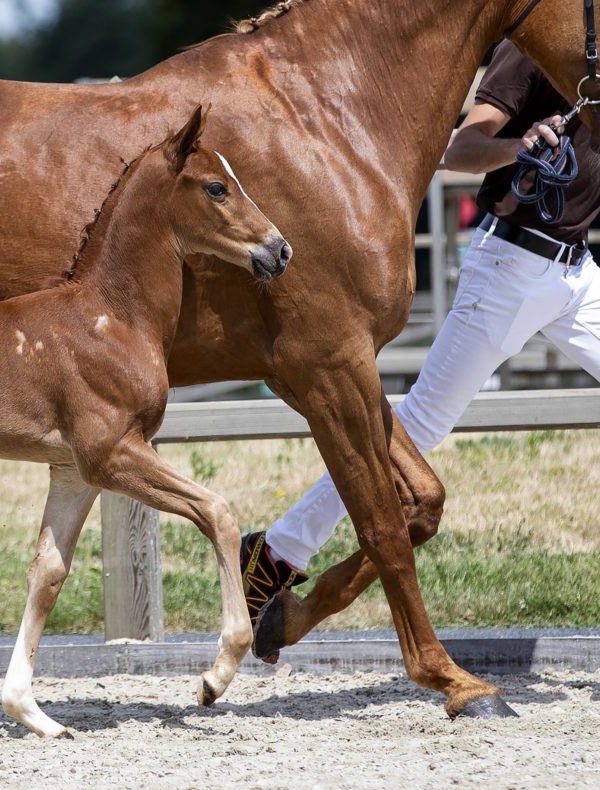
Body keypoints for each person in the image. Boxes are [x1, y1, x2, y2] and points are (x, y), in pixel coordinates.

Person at [240, 40, 600, 640]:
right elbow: (460, 149)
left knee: (419, 424)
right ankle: (276, 553)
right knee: (422, 423)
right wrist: (520, 146)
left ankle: (278, 552)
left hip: (577, 274)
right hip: (509, 268)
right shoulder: (535, 48)